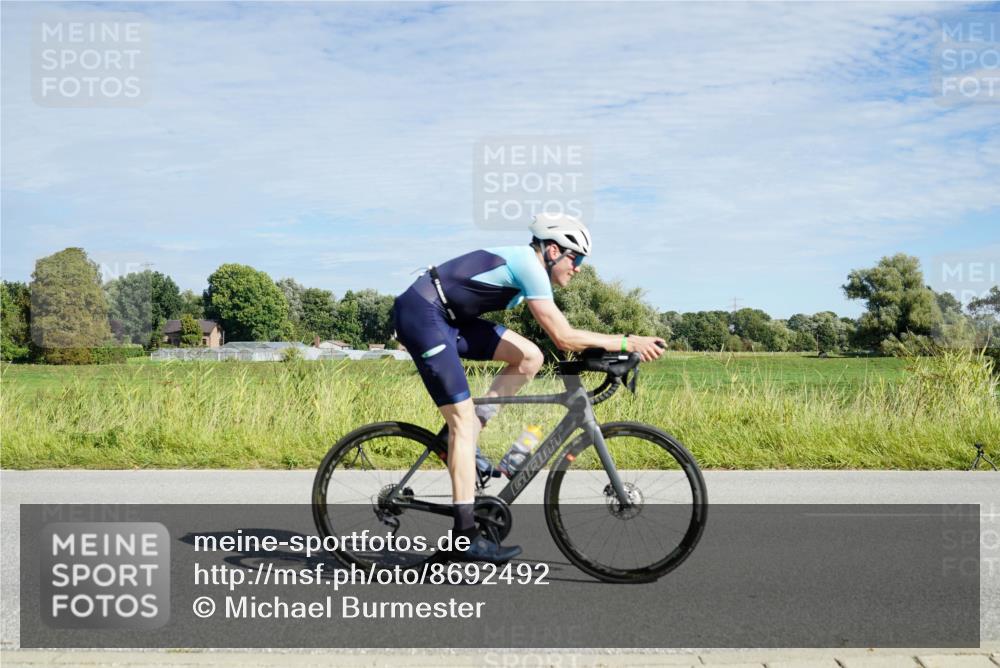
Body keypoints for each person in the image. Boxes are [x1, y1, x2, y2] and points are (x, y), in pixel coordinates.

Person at [391, 213, 666, 562]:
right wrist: (628, 342)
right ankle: (464, 535)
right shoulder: (530, 266)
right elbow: (564, 338)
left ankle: (466, 435)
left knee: (530, 358)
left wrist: (606, 351)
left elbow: (561, 342)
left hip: (448, 319)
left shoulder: (530, 266)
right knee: (459, 420)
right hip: (423, 314)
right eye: (575, 258)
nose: (578, 268)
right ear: (553, 250)